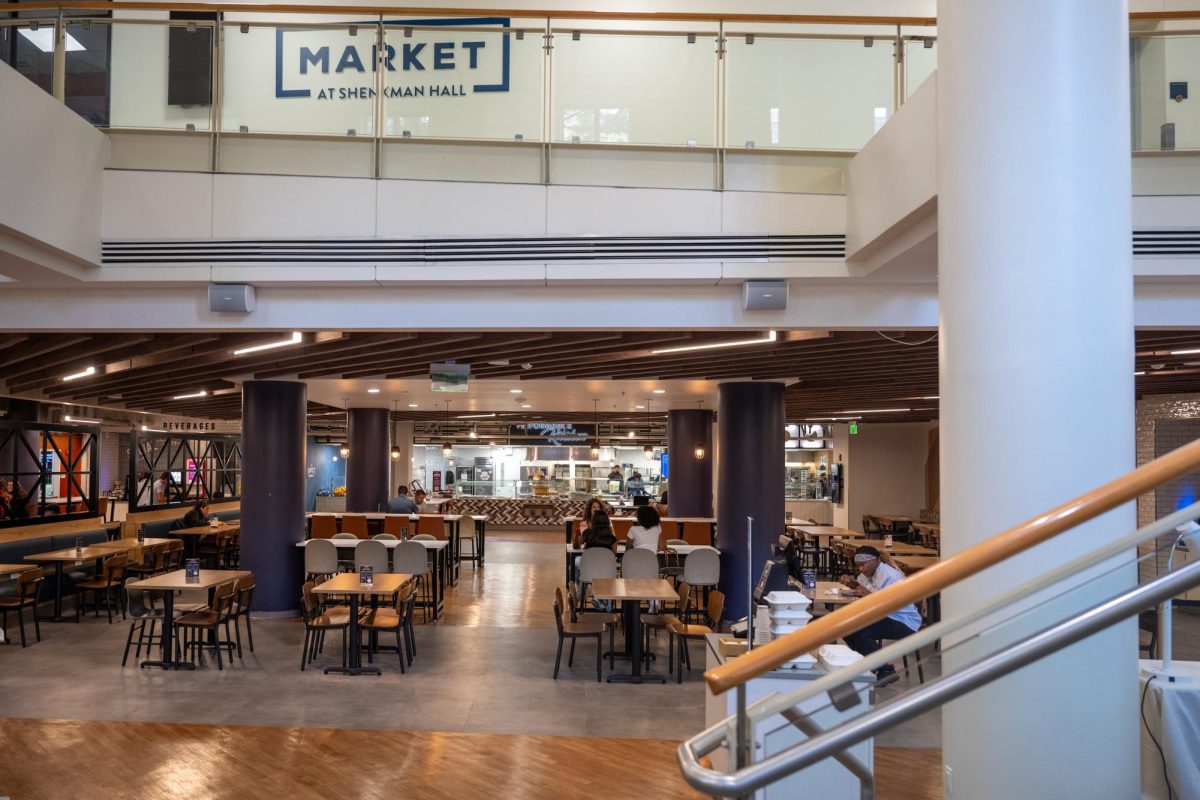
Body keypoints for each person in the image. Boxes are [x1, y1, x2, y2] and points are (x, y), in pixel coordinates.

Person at [838, 546, 922, 684]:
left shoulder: (890, 576)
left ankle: (885, 669)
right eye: (858, 566)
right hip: (886, 616)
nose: (861, 569)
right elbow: (863, 588)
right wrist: (853, 584)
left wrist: (868, 595)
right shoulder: (869, 574)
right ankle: (874, 665)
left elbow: (889, 604)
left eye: (863, 565)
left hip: (903, 621)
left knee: (857, 632)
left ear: (876, 560)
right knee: (846, 628)